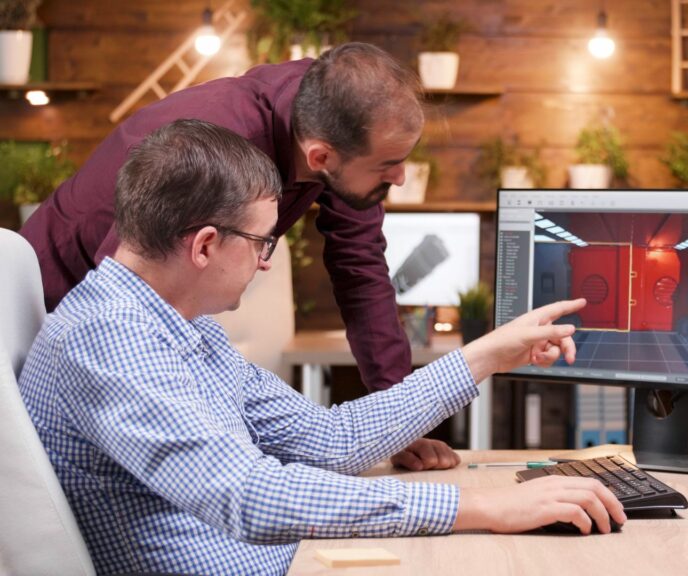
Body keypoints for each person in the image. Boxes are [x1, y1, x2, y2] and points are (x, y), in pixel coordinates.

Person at [17, 120, 625, 576]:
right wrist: (480, 506)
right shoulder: (109, 339)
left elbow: (327, 441)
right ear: (204, 245)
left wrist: (487, 354)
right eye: (261, 243)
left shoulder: (180, 321)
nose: (263, 263)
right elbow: (251, 496)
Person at [20, 42, 458, 470]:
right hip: (52, 296)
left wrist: (398, 418)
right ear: (320, 156)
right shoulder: (211, 147)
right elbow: (134, 292)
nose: (401, 178)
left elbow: (360, 266)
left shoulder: (339, 124)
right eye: (388, 165)